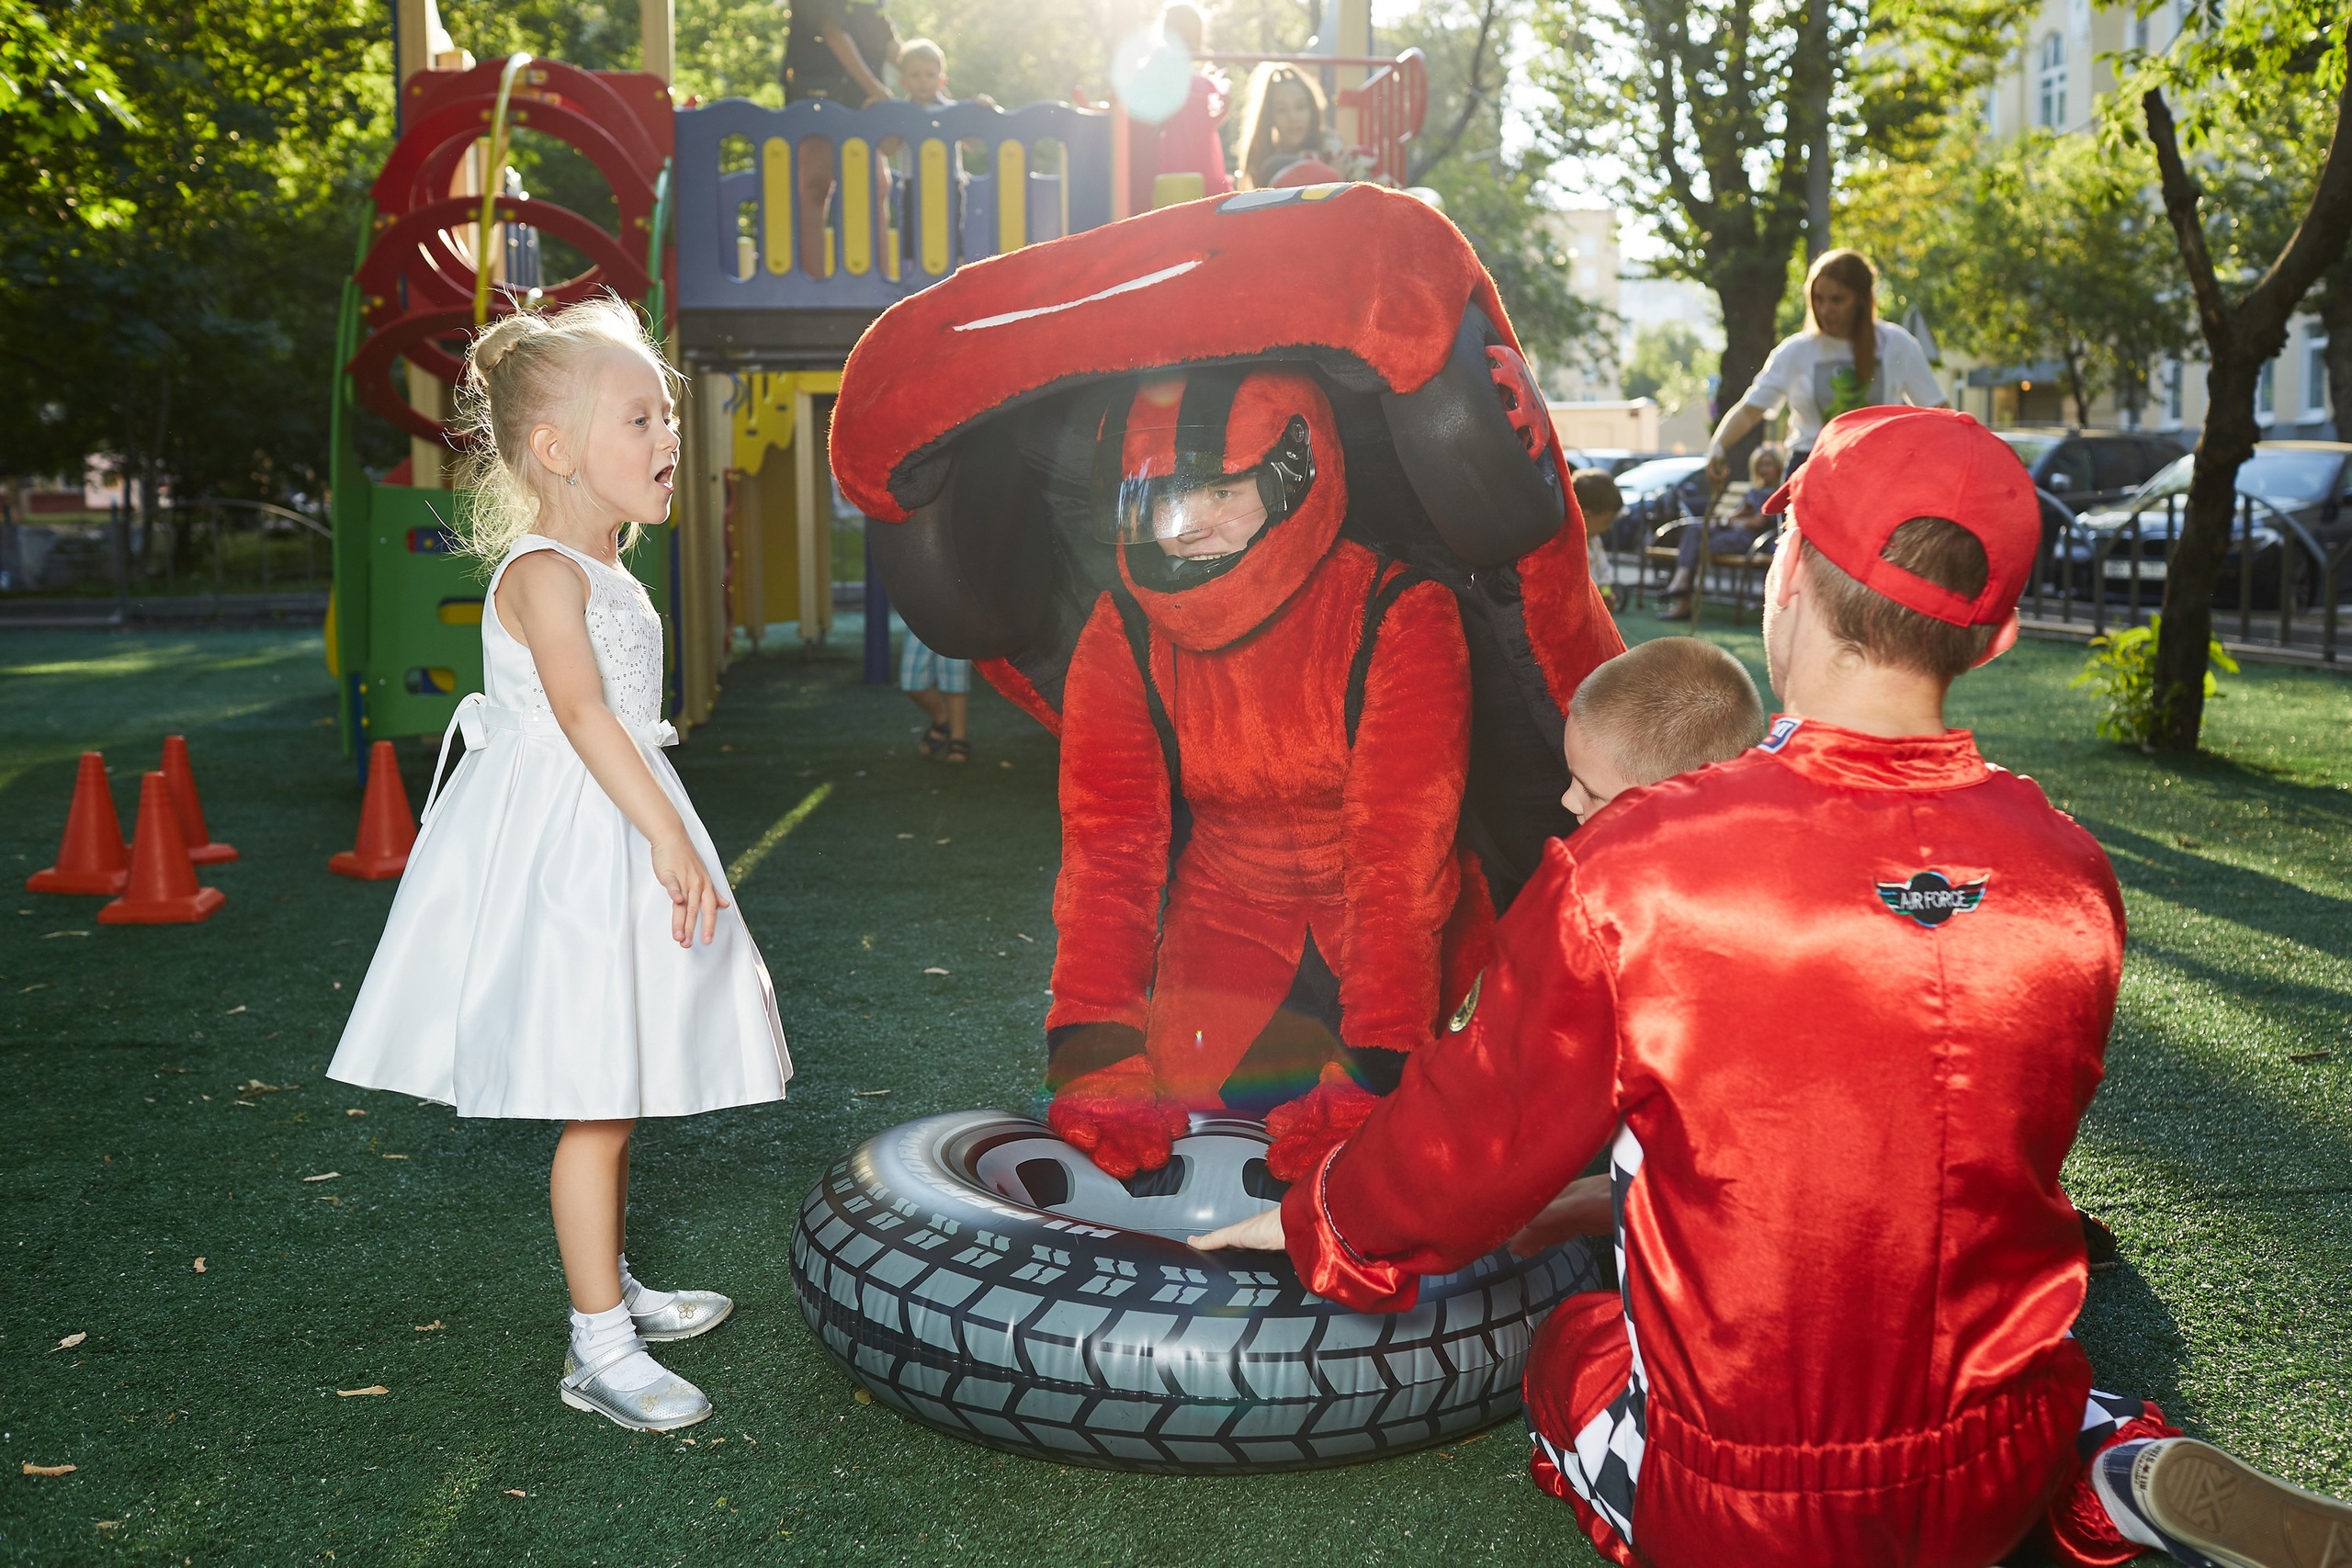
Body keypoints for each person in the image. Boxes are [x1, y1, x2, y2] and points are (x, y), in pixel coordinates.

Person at [1196, 405, 2352, 1568]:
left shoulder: (1638, 870)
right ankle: (2103, 1466)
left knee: (1573, 1347)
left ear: (1786, 573)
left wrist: (1320, 1221)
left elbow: (1463, 1145)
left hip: (1754, 1511)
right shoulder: (2068, 872)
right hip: (1997, 1449)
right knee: (1979, 1363)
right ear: (1993, 639)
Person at [328, 299, 792, 1436]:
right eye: (640, 419)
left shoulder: (609, 567)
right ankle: (597, 1344)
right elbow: (583, 715)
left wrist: (660, 831)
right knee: (595, 1100)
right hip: (573, 851)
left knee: (616, 1085)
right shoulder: (543, 570)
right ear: (555, 452)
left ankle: (611, 1285)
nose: (667, 439)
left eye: (665, 417)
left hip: (611, 833)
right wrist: (670, 837)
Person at [1703, 248, 1944, 487]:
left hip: (1876, 476)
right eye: (1818, 298)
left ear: (1860, 299)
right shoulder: (1795, 351)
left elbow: (1940, 413)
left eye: (1837, 300)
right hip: (1809, 472)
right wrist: (1718, 446)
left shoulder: (1896, 344)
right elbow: (1749, 411)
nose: (1825, 309)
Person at [782, 0, 899, 275]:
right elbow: (833, 31)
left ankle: (877, 279)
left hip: (861, 105)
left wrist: (931, 79)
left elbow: (889, 42)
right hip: (818, 99)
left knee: (874, 187)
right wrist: (878, 91)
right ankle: (812, 279)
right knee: (814, 184)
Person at [1656, 442, 1784, 621]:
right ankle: (1681, 582)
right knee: (1693, 531)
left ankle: (1681, 594)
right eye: (1760, 465)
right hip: (1733, 533)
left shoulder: (1778, 491)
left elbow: (1757, 522)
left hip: (1751, 541)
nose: (1763, 469)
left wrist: (1736, 521)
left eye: (1768, 464)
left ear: (1778, 466)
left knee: (1696, 546)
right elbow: (1737, 515)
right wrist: (1733, 519)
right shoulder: (1755, 491)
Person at [1150, 5, 1232, 199]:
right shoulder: (1160, 80)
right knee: (1176, 193)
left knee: (1206, 194)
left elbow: (1206, 123)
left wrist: (1224, 108)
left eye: (1193, 39)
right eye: (1179, 38)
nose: (1187, 45)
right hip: (1174, 150)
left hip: (1203, 153)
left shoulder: (1202, 84)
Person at [1234, 65, 1335, 190]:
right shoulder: (1262, 157)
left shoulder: (1332, 147)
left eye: (1300, 107)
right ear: (1269, 117)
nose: (1293, 117)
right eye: (1282, 110)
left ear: (1312, 110)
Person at [900, 629, 971, 761]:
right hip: (920, 621)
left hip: (959, 623)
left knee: (955, 684)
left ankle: (958, 738)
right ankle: (943, 719)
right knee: (911, 683)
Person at [1572, 468, 1623, 610]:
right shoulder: (1569, 545)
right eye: (1607, 520)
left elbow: (1603, 575)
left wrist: (1606, 594)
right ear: (1586, 516)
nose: (1610, 527)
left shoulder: (1594, 540)